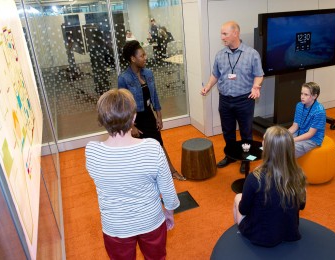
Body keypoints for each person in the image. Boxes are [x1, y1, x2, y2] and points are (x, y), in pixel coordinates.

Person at [85, 89, 180, 259]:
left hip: (115, 227)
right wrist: (170, 212)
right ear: (134, 118)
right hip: (151, 221)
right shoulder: (152, 148)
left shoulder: (92, 152)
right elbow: (167, 188)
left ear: (102, 121)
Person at [201, 21, 264, 173]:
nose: (222, 37)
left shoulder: (251, 54)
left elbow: (259, 74)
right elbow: (215, 74)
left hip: (244, 100)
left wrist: (256, 87)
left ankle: (245, 159)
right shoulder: (220, 55)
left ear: (235, 33)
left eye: (225, 34)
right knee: (227, 130)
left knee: (245, 131)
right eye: (221, 34)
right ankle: (230, 156)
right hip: (225, 100)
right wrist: (208, 86)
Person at [118, 40, 186, 181]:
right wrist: (132, 126)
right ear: (132, 58)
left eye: (144, 55)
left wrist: (159, 116)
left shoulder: (148, 73)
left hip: (148, 115)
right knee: (138, 151)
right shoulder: (123, 78)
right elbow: (123, 105)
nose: (145, 57)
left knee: (158, 144)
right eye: (142, 55)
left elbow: (154, 96)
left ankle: (171, 172)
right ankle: (143, 179)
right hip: (134, 119)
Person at [233, 125, 306, 247]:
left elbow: (243, 209)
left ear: (267, 149)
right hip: (289, 232)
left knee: (238, 197)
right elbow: (302, 205)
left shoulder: (254, 178)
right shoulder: (299, 175)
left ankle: (242, 238)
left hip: (261, 236)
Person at [288, 82, 326, 158]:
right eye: (301, 94)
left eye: (306, 95)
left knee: (287, 149)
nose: (302, 97)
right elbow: (295, 126)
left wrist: (291, 140)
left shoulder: (319, 111)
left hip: (313, 139)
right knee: (278, 142)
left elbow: (310, 134)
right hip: (300, 132)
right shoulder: (299, 105)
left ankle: (281, 168)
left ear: (314, 96)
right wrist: (282, 135)